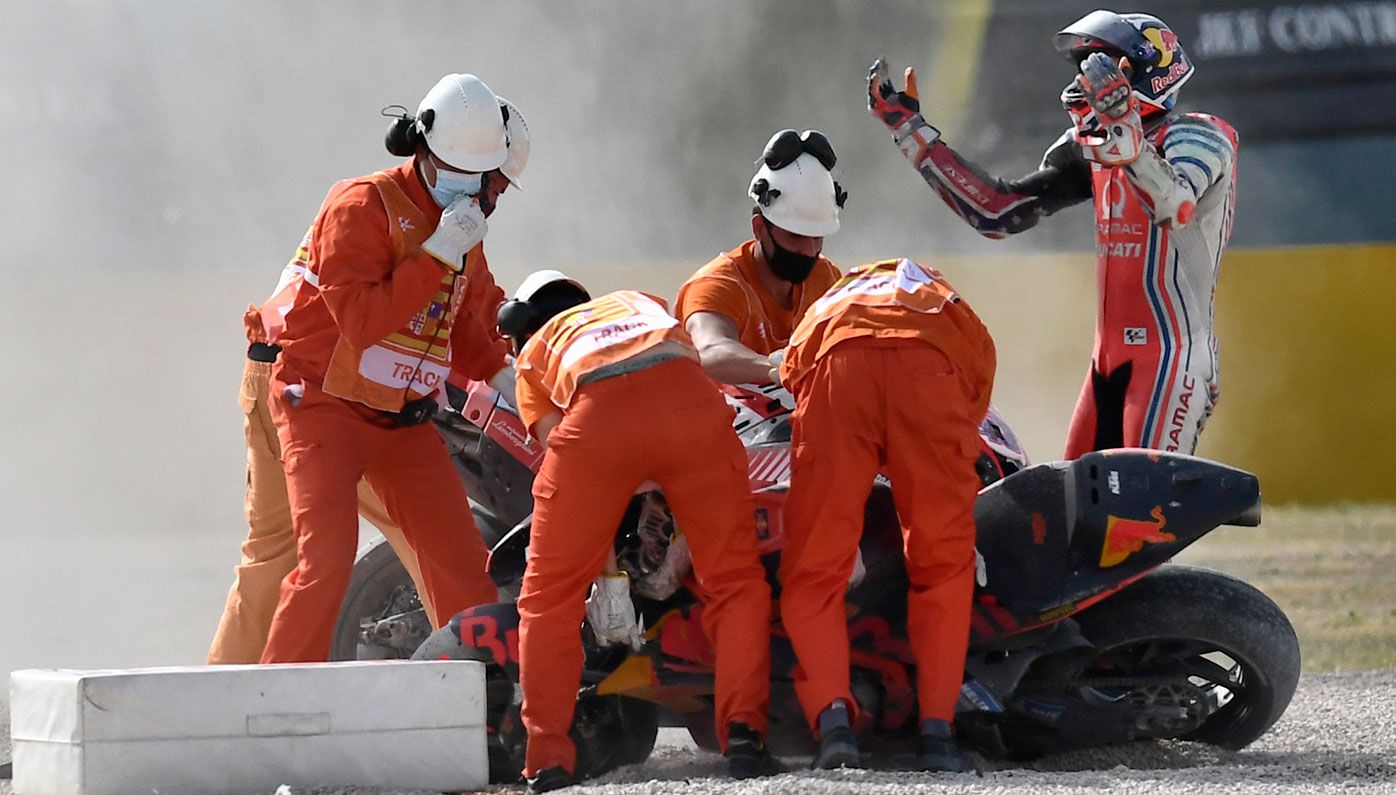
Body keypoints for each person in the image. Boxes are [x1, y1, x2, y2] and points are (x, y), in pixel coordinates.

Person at [207, 96, 531, 666]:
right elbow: (362, 323)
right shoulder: (361, 205)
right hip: (315, 402)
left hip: (398, 418)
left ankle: (478, 706)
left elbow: (472, 327)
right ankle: (263, 704)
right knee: (317, 560)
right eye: (465, 178)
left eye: (486, 185)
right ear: (424, 153)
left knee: (459, 561)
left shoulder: (460, 231)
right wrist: (437, 254)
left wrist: (521, 387)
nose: (479, 196)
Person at [868, 10, 1237, 458]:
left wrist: (1125, 132)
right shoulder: (1093, 148)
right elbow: (998, 212)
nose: (1086, 82)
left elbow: (1174, 206)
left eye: (1101, 66)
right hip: (1106, 361)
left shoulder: (1202, 134)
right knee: (1076, 518)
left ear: (1143, 72)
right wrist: (913, 135)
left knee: (1143, 515)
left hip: (1172, 360)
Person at [497, 272, 780, 793]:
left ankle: (548, 760)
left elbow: (558, 445)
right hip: (690, 408)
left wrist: (608, 578)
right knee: (736, 582)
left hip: (597, 427)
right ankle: (745, 736)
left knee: (547, 601)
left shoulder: (536, 352)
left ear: (522, 326)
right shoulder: (637, 300)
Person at [776, 257, 996, 772]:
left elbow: (792, 376)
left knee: (815, 569)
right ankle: (938, 733)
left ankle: (833, 725)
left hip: (838, 371)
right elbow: (978, 382)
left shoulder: (830, 301)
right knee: (942, 564)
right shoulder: (938, 292)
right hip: (931, 371)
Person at [675, 129, 845, 385]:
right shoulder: (717, 286)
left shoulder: (826, 279)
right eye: (796, 236)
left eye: (817, 236)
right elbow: (710, 351)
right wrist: (784, 369)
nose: (810, 251)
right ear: (759, 228)